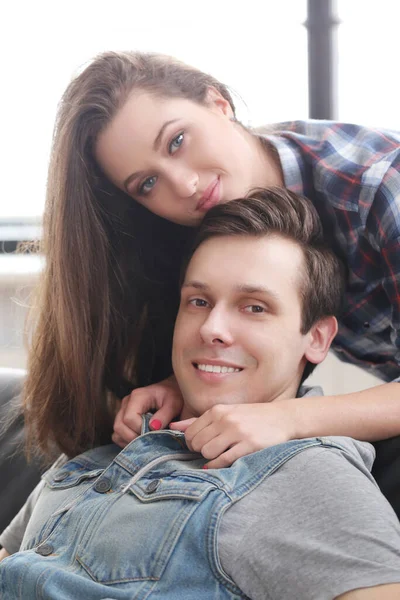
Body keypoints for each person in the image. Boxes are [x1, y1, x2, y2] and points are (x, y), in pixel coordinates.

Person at [3, 50, 400, 527]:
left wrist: (288, 420)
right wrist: (181, 383)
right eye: (147, 183)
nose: (185, 184)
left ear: (219, 103)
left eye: (177, 141)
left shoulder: (380, 185)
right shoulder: (201, 214)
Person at [2, 190, 400, 600]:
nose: (212, 327)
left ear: (316, 338)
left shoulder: (304, 475)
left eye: (255, 307)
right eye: (199, 301)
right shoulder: (107, 446)